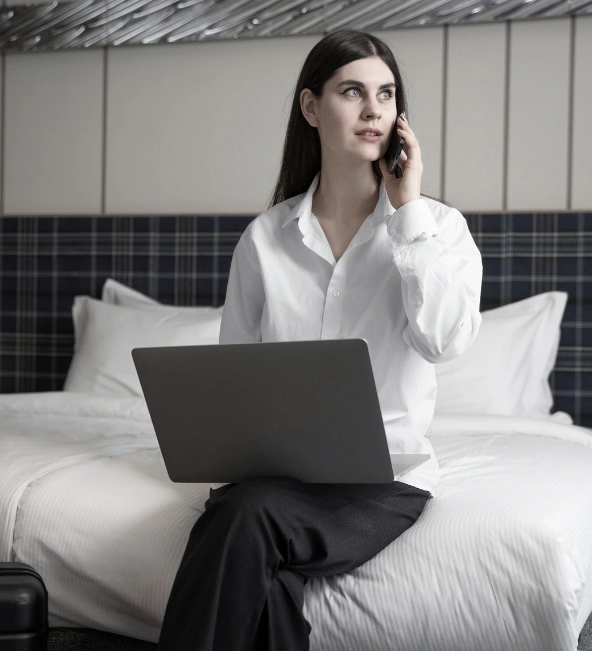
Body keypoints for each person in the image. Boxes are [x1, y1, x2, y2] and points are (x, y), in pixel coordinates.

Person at [156, 29, 483, 651]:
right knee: (263, 559)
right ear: (311, 108)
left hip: (388, 480)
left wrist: (407, 210)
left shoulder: (438, 228)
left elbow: (444, 340)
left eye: (385, 95)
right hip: (278, 478)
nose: (373, 111)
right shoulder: (264, 239)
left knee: (247, 518)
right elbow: (235, 382)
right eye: (352, 92)